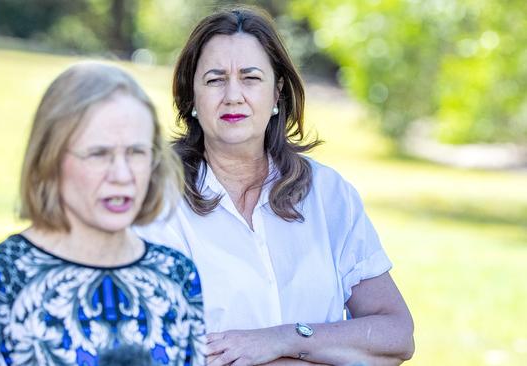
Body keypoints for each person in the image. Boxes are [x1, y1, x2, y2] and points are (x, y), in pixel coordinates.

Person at [134, 6, 414, 366]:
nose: (233, 95)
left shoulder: (328, 194)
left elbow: (396, 336)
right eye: (215, 79)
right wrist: (331, 353)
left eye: (250, 78)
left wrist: (283, 338)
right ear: (191, 98)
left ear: (277, 94)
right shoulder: (153, 198)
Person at [0, 62, 205, 366]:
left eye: (136, 152)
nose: (122, 175)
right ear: (50, 158)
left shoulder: (175, 274)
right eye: (99, 154)